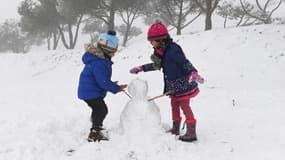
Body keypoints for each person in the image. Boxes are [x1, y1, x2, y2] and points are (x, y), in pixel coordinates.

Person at [129, 21, 204, 142]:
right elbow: (157, 65)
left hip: (184, 84)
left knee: (185, 107)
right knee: (174, 105)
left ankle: (191, 132)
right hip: (173, 86)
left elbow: (184, 62)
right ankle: (175, 128)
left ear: (160, 39)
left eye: (152, 40)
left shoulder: (173, 50)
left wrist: (193, 72)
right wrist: (141, 68)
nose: (150, 43)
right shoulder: (161, 52)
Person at [78, 30, 127, 142]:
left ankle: (96, 126)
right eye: (112, 52)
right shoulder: (99, 63)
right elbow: (103, 82)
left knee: (98, 109)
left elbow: (102, 80)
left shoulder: (98, 61)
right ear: (105, 50)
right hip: (90, 92)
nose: (113, 55)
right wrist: (116, 88)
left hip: (88, 91)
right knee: (101, 110)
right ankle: (95, 133)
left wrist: (112, 85)